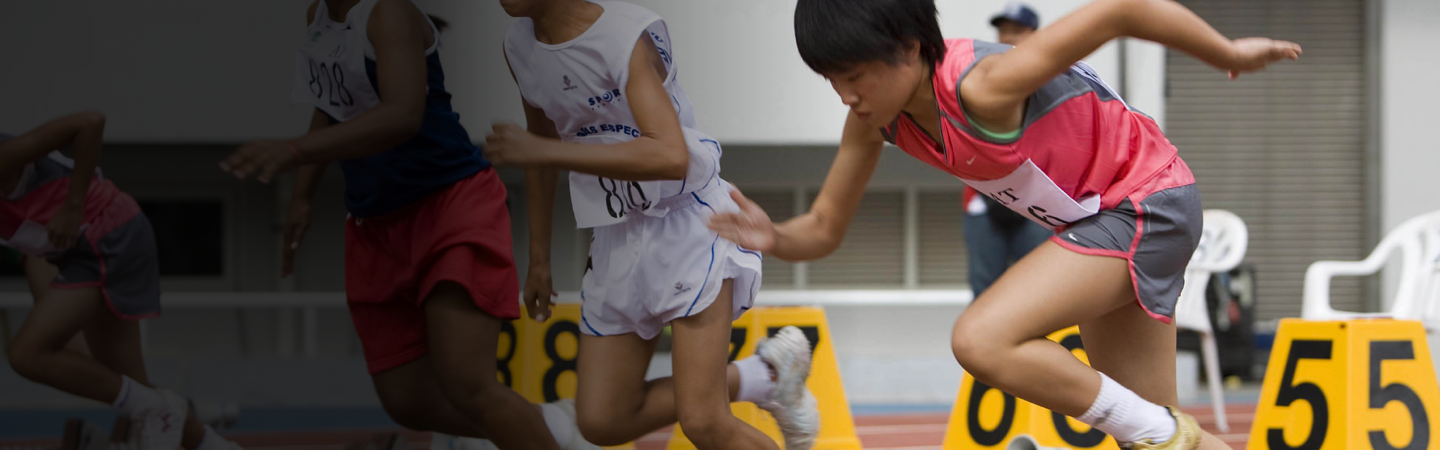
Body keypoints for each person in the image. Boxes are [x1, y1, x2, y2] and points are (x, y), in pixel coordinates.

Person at [710, 0, 1300, 448]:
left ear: (911, 47)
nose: (846, 97)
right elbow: (824, 226)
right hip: (1098, 218)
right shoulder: (878, 121)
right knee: (1151, 429)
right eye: (832, 81)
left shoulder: (982, 86)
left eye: (855, 76)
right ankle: (1167, 434)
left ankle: (1163, 432)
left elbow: (1122, 11)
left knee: (981, 338)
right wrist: (775, 237)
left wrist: (1227, 53)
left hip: (1149, 202)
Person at [219, 1, 583, 448]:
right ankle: (545, 425)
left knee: (466, 384)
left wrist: (294, 151)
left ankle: (542, 431)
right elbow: (331, 105)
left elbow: (403, 115)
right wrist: (302, 195)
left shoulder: (387, 12)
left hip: (449, 206)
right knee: (407, 402)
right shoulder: (318, 14)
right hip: (376, 223)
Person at [491, 0, 820, 448]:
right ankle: (764, 375)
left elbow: (669, 155)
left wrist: (543, 151)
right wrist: (540, 259)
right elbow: (541, 145)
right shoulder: (519, 47)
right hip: (614, 233)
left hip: (687, 224)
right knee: (602, 420)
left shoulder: (623, 35)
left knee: (703, 422)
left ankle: (760, 378)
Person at [4, 112, 239, 450]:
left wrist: (72, 207)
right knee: (130, 387)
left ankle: (157, 409)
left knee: (27, 354)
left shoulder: (4, 157)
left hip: (108, 234)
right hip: (68, 252)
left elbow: (89, 122)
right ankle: (218, 446)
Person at [962, 1, 1051, 298]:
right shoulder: (980, 72)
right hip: (984, 199)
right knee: (985, 292)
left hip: (1037, 201)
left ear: (1035, 34)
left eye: (1017, 30)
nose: (1008, 37)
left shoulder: (1051, 76)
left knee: (1040, 293)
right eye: (1003, 30)